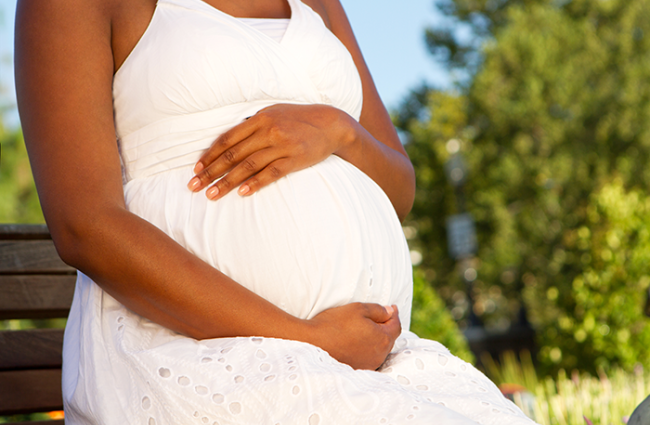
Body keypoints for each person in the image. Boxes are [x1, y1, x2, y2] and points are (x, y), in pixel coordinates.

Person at [15, 0, 538, 423]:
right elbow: (86, 225)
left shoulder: (319, 4)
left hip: (376, 360)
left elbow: (398, 191)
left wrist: (338, 132)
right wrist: (307, 338)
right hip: (191, 353)